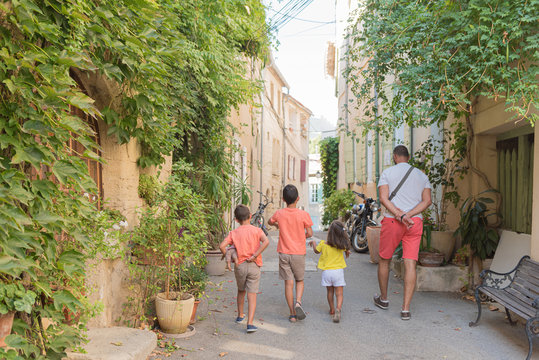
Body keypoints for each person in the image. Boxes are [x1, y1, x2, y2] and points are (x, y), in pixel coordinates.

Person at [374, 145, 432, 320]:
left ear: (394, 156)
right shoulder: (422, 176)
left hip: (393, 220)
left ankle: (384, 299)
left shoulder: (387, 173)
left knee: (384, 260)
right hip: (414, 222)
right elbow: (427, 201)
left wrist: (399, 214)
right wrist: (409, 215)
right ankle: (405, 309)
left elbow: (384, 198)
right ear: (408, 157)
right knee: (410, 263)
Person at [219, 204, 270, 333]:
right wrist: (255, 255)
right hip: (254, 264)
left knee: (241, 291)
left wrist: (228, 255)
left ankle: (240, 316)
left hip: (240, 265)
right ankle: (250, 323)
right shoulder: (257, 230)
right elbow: (266, 242)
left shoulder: (234, 233)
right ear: (250, 216)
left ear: (236, 220)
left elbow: (222, 246)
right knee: (252, 294)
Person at [268, 184, 313, 323]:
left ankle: (292, 314)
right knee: (299, 280)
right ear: (298, 199)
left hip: (284, 252)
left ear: (283, 199)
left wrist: (277, 225)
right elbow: (310, 233)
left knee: (288, 283)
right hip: (298, 252)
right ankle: (298, 302)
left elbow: (270, 221)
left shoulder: (279, 213)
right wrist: (301, 236)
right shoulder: (303, 214)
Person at [309, 220, 350, 323]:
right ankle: (338, 309)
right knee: (339, 293)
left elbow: (316, 251)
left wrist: (314, 243)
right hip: (338, 272)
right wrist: (347, 252)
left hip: (327, 272)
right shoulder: (342, 245)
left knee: (330, 292)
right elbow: (347, 250)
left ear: (329, 233)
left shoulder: (323, 244)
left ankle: (331, 309)